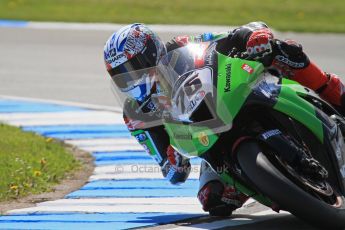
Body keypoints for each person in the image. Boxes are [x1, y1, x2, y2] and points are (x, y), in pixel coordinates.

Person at [103, 22, 345, 216]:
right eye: (121, 75)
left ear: (151, 52)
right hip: (207, 142)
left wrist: (254, 36)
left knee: (286, 50)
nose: (130, 78)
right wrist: (172, 160)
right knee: (213, 199)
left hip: (228, 99)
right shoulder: (135, 113)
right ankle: (268, 183)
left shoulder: (180, 46)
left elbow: (233, 34)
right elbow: (172, 171)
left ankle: (333, 92)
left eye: (133, 67)